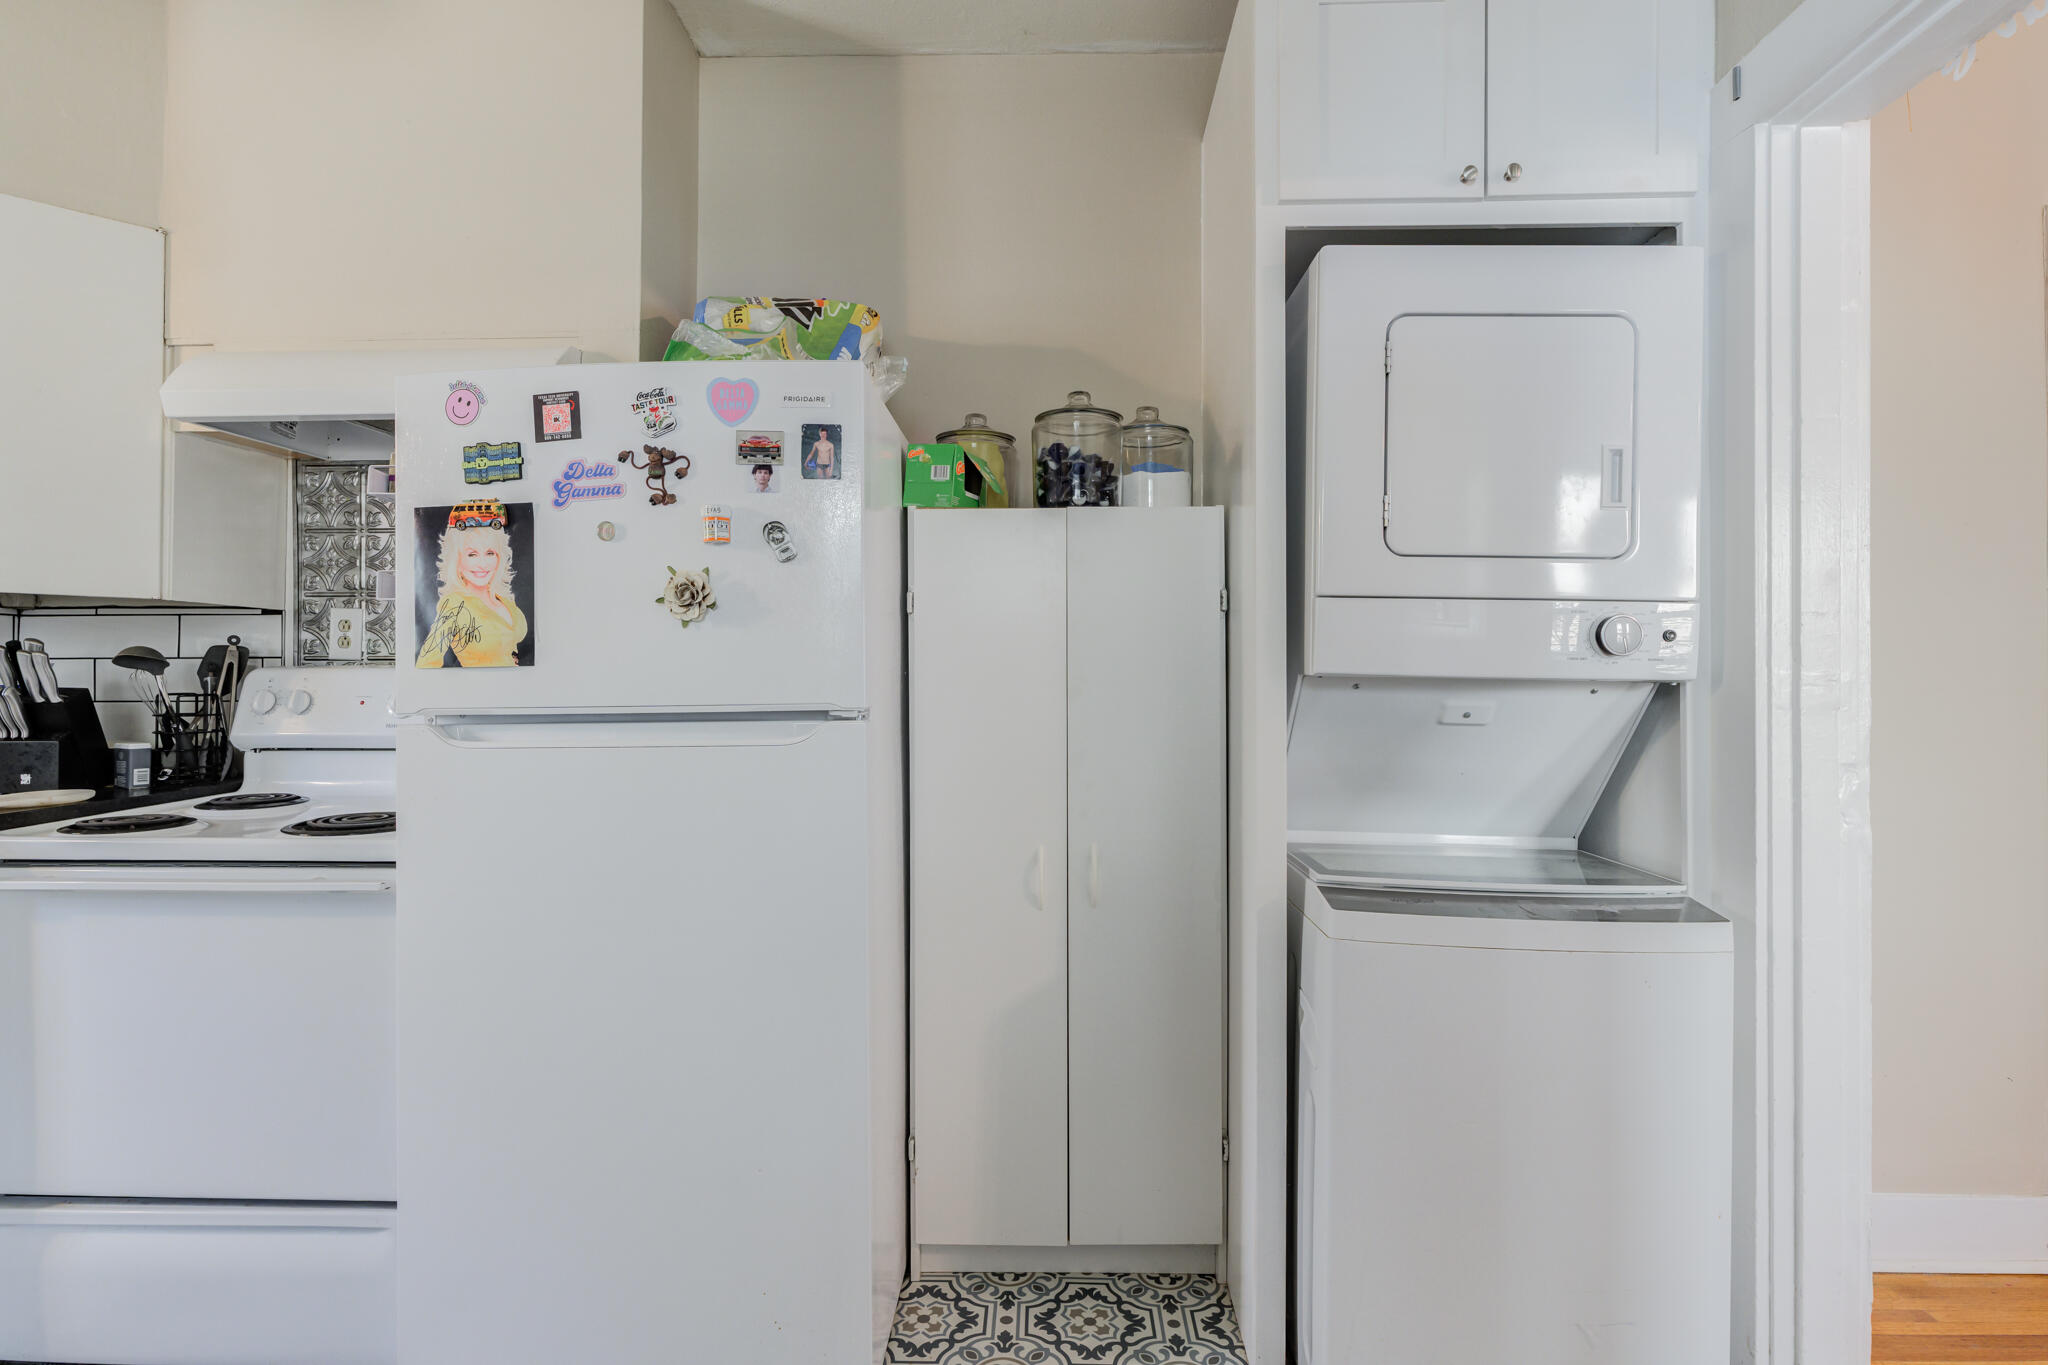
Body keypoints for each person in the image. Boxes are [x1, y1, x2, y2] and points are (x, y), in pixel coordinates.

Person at [416, 499, 529, 668]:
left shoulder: (504, 600)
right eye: (472, 554)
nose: (482, 564)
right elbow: (427, 662)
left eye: (490, 552)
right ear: (457, 562)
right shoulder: (454, 605)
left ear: (499, 557)